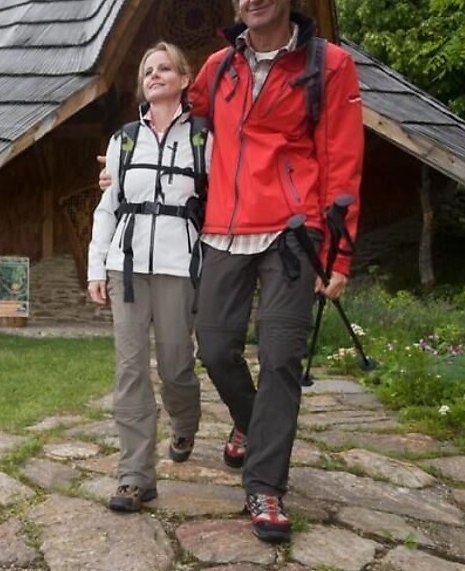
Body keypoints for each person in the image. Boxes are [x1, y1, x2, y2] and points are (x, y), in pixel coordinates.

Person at [186, 0, 364, 542]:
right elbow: (177, 124)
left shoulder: (327, 64)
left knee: (281, 354)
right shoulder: (217, 67)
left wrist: (338, 253)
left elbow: (343, 158)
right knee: (214, 347)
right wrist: (124, 168)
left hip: (295, 228)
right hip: (225, 225)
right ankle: (250, 421)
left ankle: (265, 484)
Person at [87, 42, 205, 513]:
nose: (154, 75)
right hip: (127, 268)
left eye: (164, 69)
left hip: (181, 267)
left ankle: (185, 423)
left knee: (177, 367)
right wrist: (98, 265)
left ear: (184, 78)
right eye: (147, 70)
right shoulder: (123, 141)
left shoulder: (202, 138)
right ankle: (136, 475)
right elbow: (107, 208)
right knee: (130, 369)